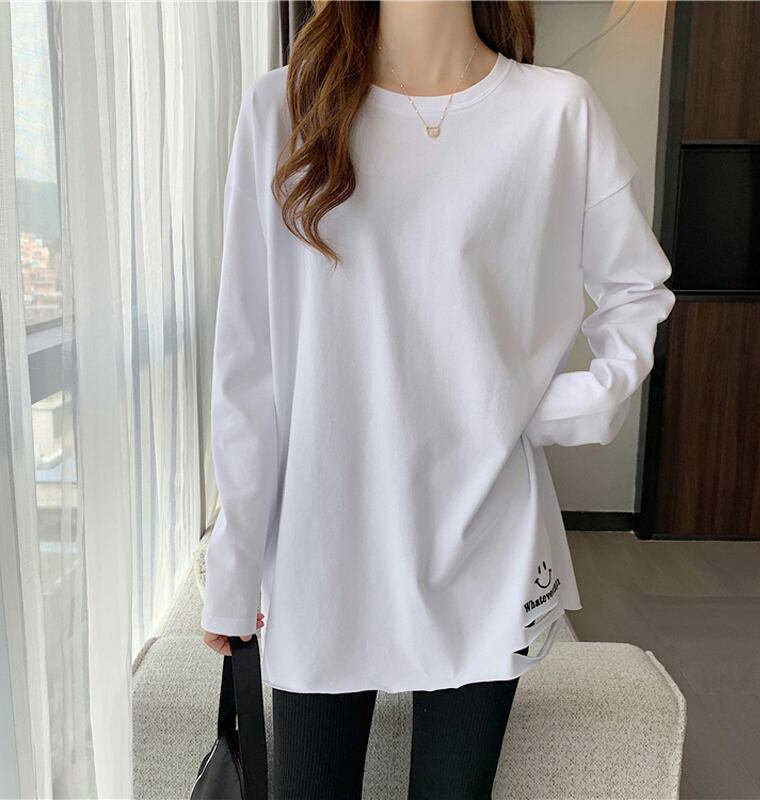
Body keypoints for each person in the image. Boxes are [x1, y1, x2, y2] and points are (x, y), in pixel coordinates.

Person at [200, 1, 676, 797]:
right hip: (325, 543)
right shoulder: (284, 108)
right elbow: (248, 362)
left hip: (484, 539)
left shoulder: (557, 114)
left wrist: (554, 408)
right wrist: (235, 563)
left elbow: (638, 291)